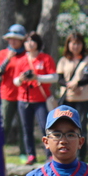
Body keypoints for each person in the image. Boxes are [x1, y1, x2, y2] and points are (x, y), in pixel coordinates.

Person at [12, 32, 58, 165]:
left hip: (41, 100)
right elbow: (15, 81)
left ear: (37, 43)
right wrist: (21, 79)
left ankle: (50, 154)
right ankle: (31, 155)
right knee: (27, 129)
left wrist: (37, 77)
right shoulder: (21, 61)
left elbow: (54, 77)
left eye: (32, 41)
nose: (29, 44)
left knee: (45, 127)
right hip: (24, 100)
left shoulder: (45, 59)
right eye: (26, 41)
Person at [56, 32, 88, 161]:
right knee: (65, 127)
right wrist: (69, 85)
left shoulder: (87, 60)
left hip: (82, 99)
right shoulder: (63, 60)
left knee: (81, 127)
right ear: (68, 45)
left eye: (78, 43)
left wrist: (78, 84)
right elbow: (60, 78)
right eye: (73, 43)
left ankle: (80, 156)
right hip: (67, 99)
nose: (75, 46)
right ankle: (65, 154)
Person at [0, 24, 27, 156]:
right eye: (10, 39)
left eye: (16, 39)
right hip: (7, 94)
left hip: (24, 96)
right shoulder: (2, 54)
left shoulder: (27, 55)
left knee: (24, 126)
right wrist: (8, 58)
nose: (12, 41)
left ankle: (25, 153)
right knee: (3, 125)